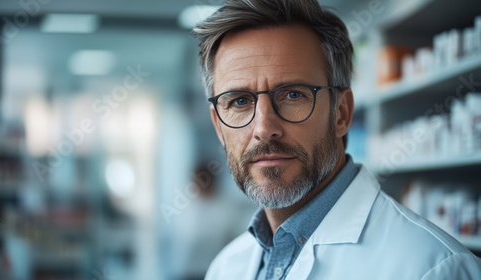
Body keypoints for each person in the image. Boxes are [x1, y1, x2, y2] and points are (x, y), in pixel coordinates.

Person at [192, 0, 481, 279]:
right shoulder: (226, 268)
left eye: (293, 95)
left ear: (341, 113)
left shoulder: (432, 268)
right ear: (219, 126)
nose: (264, 128)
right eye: (240, 101)